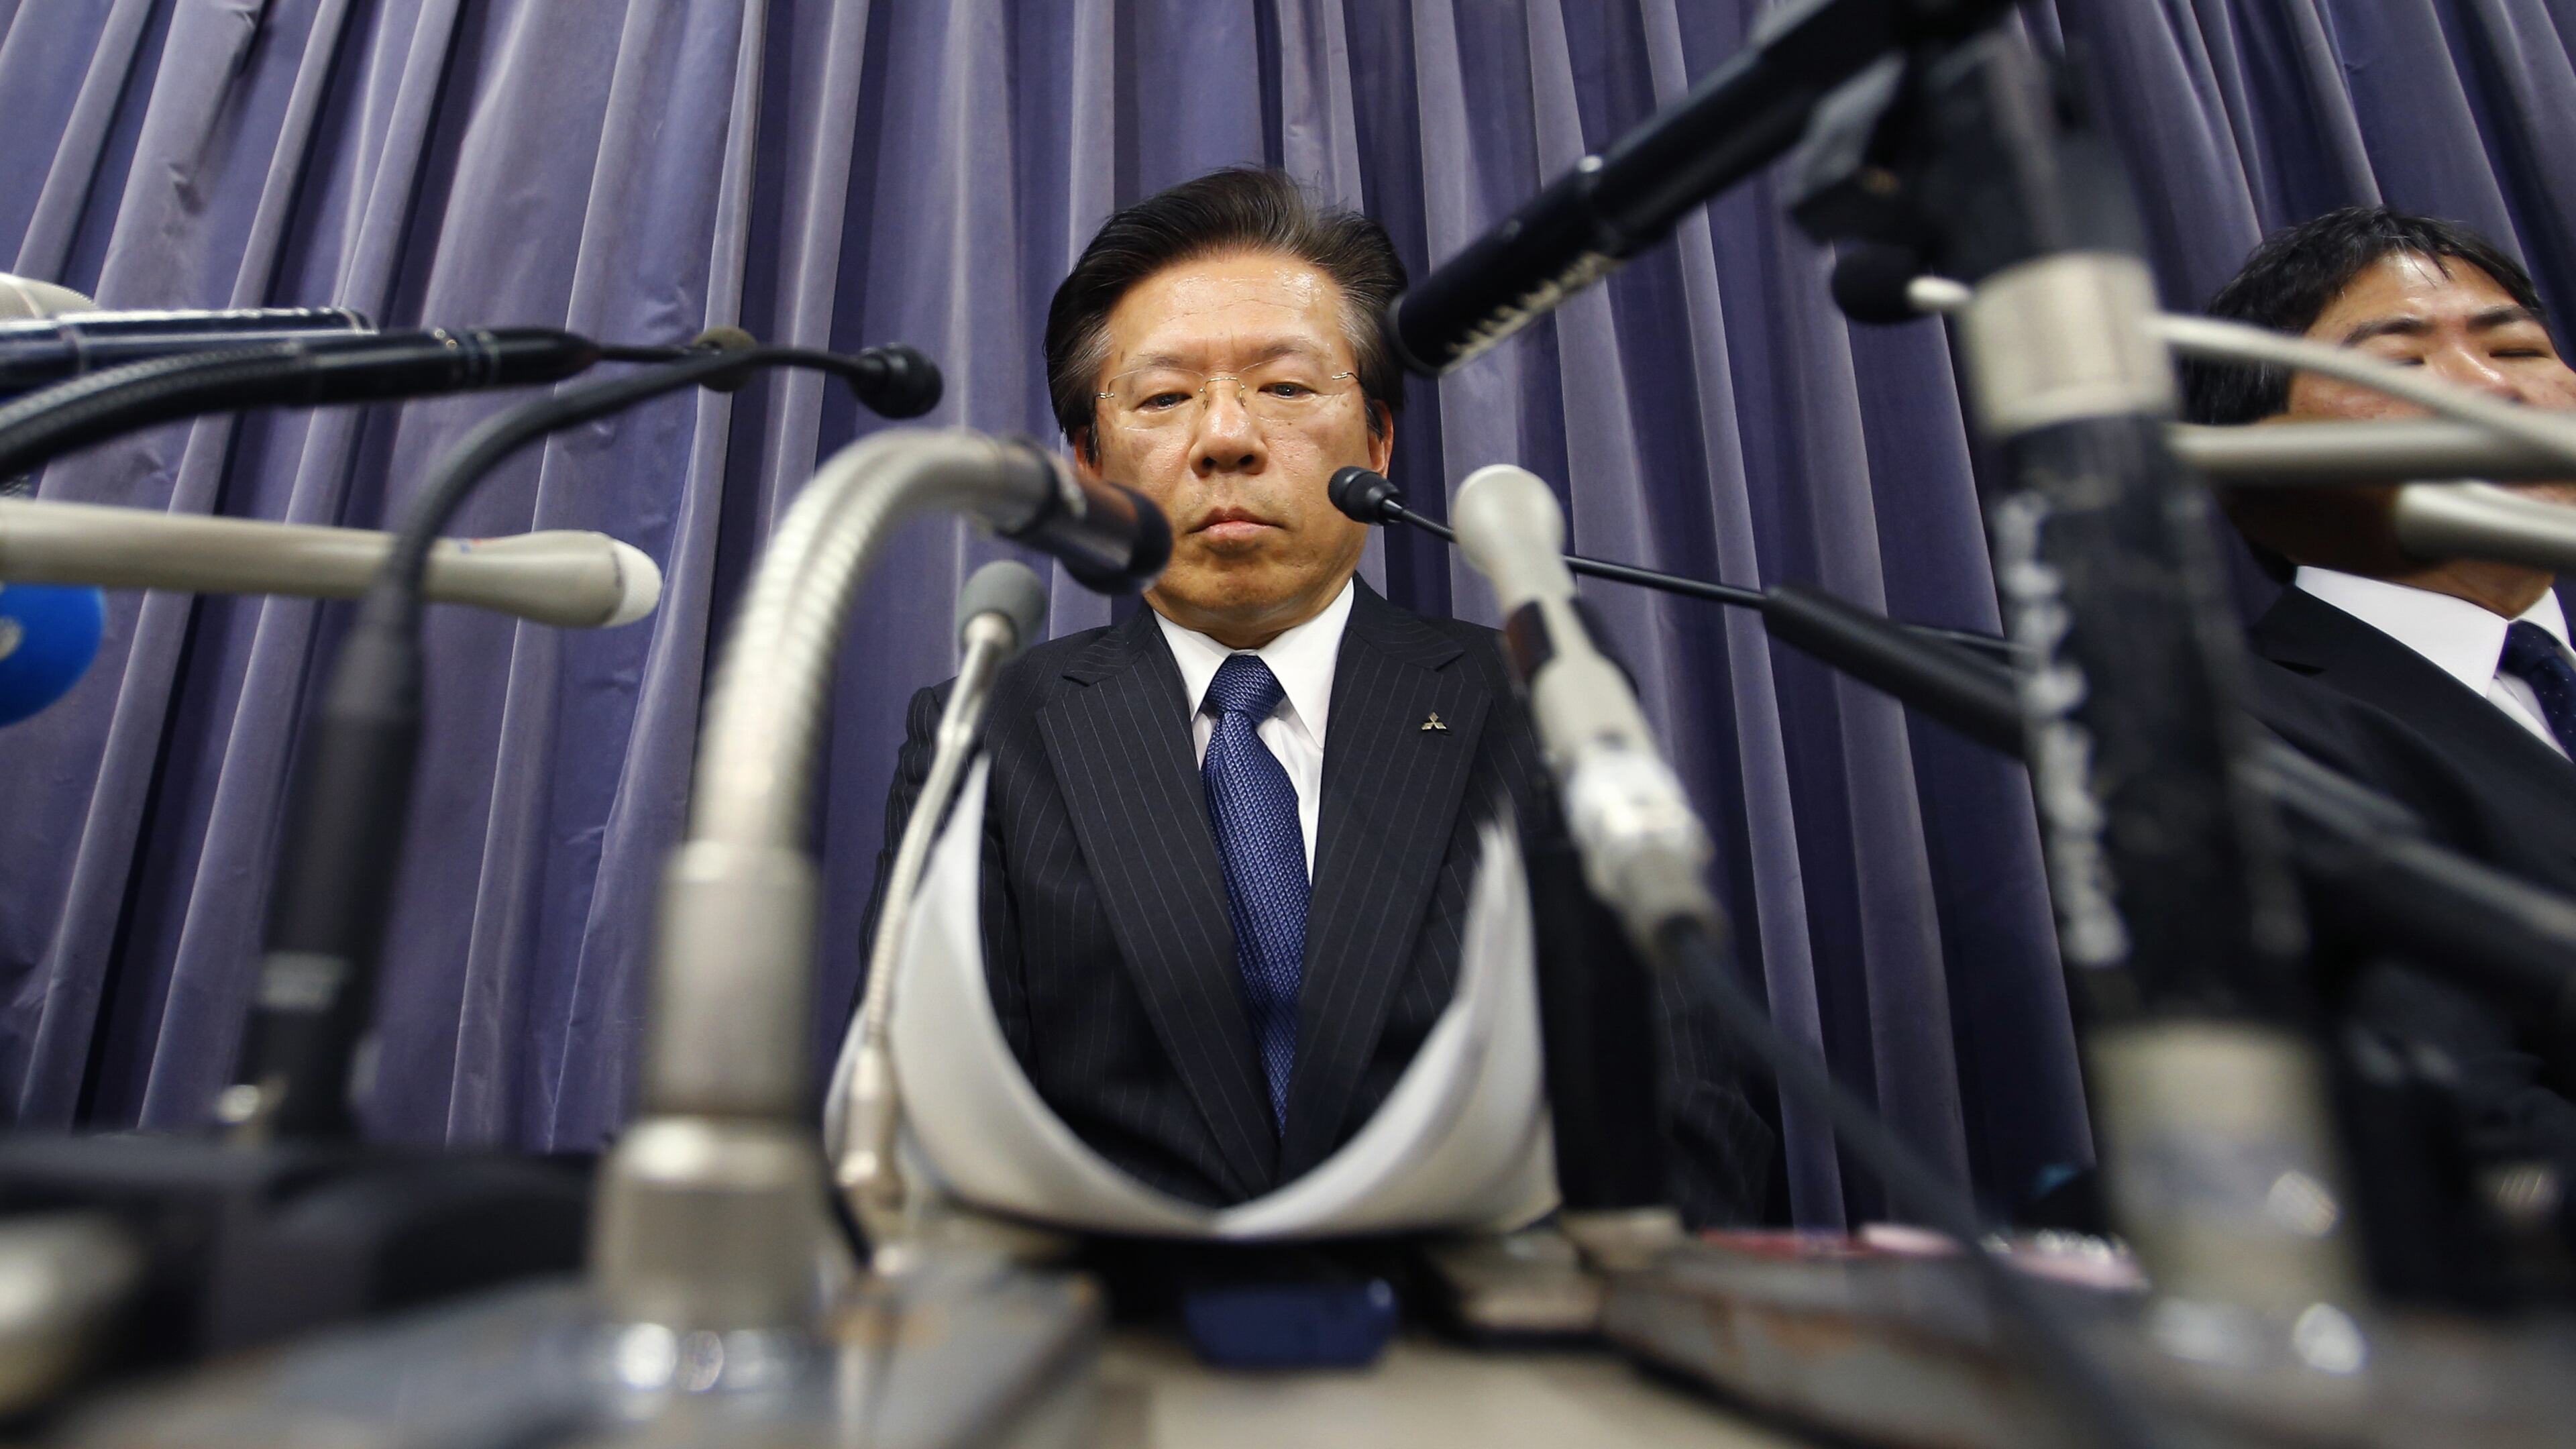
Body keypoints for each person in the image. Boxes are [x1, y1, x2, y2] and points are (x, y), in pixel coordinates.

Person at [861, 168, 1769, 1220]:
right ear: (1091, 470)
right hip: (1128, 1357)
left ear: (1376, 439)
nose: (1226, 439)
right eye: (1162, 398)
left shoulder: (1537, 701)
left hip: (1487, 1345)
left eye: (1286, 389)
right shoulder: (988, 730)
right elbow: (921, 1129)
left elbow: (1689, 1110)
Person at [2182, 205, 2576, 1179]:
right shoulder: (2236, 735)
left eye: (2519, 348)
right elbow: (2462, 1133)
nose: (2492, 391)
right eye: (2401, 366)